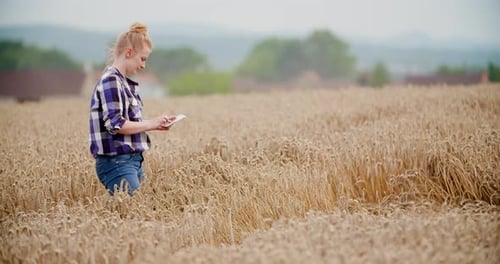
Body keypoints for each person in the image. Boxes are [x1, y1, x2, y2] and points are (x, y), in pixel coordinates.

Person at [88, 22, 173, 195]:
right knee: (134, 214)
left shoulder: (123, 83)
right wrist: (151, 123)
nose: (143, 65)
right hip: (117, 162)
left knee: (143, 212)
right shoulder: (111, 81)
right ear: (129, 53)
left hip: (132, 161)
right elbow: (116, 125)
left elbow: (128, 124)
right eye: (142, 59)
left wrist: (156, 124)